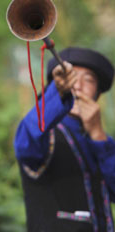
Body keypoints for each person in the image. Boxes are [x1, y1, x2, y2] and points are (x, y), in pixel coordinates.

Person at [14, 47, 115, 232]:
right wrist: (59, 94)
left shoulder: (105, 143)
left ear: (98, 93)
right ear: (57, 84)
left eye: (89, 80)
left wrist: (99, 136)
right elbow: (26, 140)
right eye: (72, 78)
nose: (78, 86)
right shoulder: (45, 134)